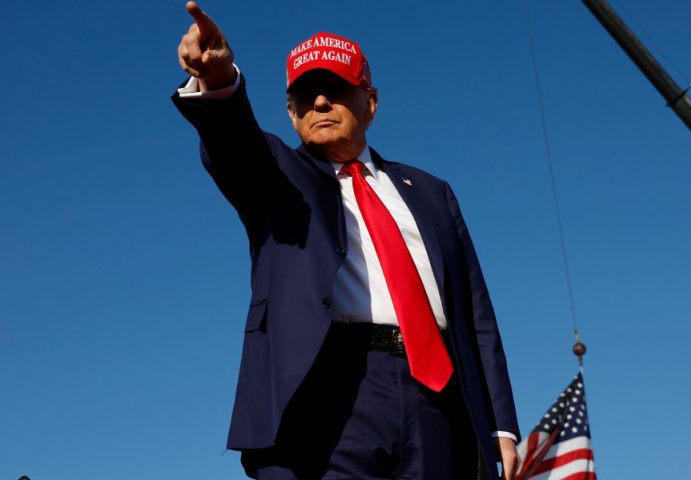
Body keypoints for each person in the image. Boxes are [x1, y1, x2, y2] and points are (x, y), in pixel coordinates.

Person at [172, 2, 521, 479]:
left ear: (370, 102)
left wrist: (501, 423)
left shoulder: (433, 193)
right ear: (291, 113)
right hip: (325, 395)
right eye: (306, 95)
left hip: (437, 399)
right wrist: (218, 81)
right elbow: (233, 142)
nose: (319, 103)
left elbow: (476, 312)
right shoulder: (275, 175)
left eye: (334, 90)